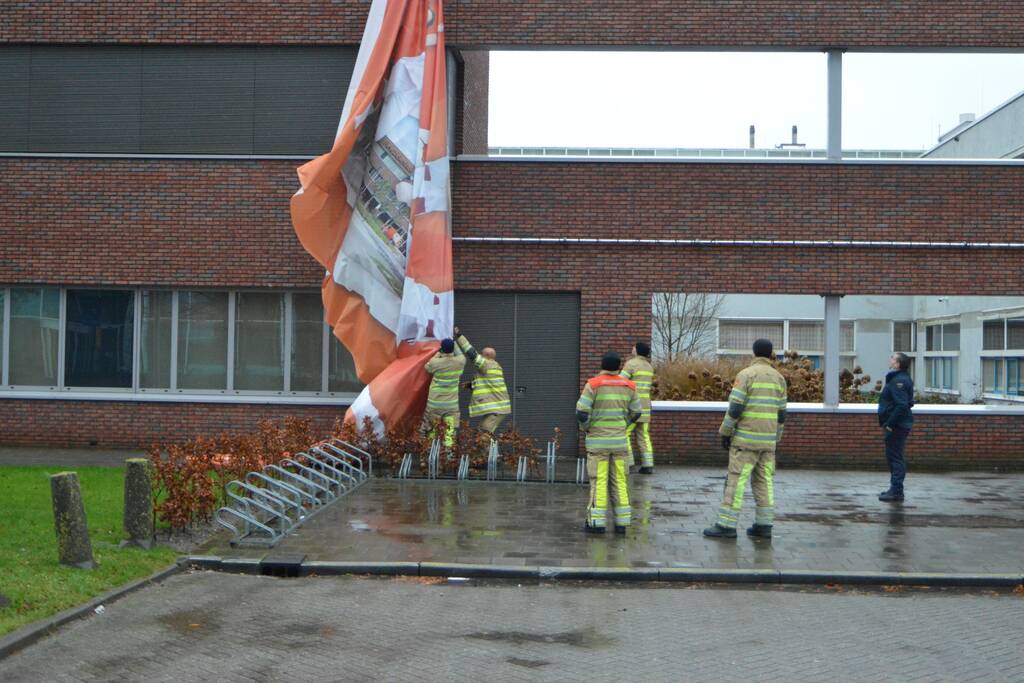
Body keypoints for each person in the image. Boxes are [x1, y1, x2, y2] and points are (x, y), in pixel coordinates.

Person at [704, 338, 787, 540]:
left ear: (753, 352)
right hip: (767, 442)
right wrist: (776, 438)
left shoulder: (746, 375)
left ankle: (726, 525)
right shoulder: (779, 379)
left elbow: (735, 408)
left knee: (736, 481)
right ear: (770, 354)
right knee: (764, 482)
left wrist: (725, 432)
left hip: (745, 442)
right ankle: (764, 525)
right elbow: (782, 413)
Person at [576, 351, 642, 534]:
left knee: (599, 481)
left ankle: (597, 523)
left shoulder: (593, 384)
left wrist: (587, 428)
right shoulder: (629, 386)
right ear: (619, 367)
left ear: (602, 365)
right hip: (620, 443)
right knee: (620, 481)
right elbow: (637, 412)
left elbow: (581, 412)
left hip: (598, 444)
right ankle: (622, 523)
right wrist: (623, 425)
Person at [453, 326, 511, 439]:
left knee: (484, 434)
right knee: (481, 431)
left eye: (481, 354)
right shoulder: (496, 367)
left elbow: (471, 352)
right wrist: (471, 385)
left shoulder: (486, 364)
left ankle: (488, 450)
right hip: (499, 408)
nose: (479, 355)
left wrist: (459, 336)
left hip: (497, 409)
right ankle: (488, 449)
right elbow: (488, 384)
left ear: (486, 356)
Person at [878, 351, 914, 502]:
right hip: (898, 424)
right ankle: (894, 489)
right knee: (893, 457)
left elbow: (902, 405)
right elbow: (908, 402)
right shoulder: (900, 378)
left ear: (898, 364)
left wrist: (890, 425)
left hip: (897, 425)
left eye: (893, 358)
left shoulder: (899, 381)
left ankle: (897, 491)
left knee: (895, 458)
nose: (890, 359)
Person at [421, 338, 466, 451]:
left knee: (432, 430)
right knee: (449, 433)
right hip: (451, 406)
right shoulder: (460, 362)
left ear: (442, 349)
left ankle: (430, 453)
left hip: (434, 404)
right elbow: (460, 354)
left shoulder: (435, 362)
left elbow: (427, 367)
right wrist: (454, 342)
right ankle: (448, 455)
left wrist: (438, 352)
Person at [620, 341, 655, 474]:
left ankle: (628, 463)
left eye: (633, 347)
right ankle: (648, 464)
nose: (632, 349)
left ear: (637, 350)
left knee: (625, 433)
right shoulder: (649, 367)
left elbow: (621, 382)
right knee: (643, 436)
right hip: (645, 407)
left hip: (633, 407)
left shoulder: (631, 364)